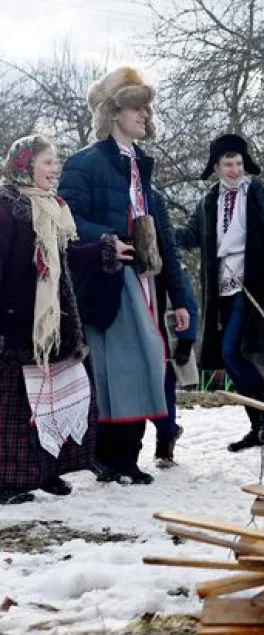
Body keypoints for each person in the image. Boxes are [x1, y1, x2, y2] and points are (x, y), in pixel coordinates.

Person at [59, 66, 191, 485]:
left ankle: (126, 458)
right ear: (115, 112)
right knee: (116, 369)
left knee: (146, 363)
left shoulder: (143, 167)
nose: (145, 114)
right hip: (108, 282)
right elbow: (68, 219)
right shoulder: (85, 164)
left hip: (146, 283)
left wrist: (184, 300)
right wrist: (107, 240)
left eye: (147, 108)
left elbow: (165, 241)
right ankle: (110, 458)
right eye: (137, 107)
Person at [0, 136, 133, 504]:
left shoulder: (53, 208)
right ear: (25, 165)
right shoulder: (8, 208)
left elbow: (67, 255)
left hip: (54, 322)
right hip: (17, 325)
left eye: (55, 161)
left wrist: (106, 248)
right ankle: (8, 481)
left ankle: (48, 471)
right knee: (17, 406)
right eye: (46, 162)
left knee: (62, 398)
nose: (54, 168)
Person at [175, 133, 264, 452]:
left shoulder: (260, 194)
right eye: (228, 164)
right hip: (221, 289)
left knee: (232, 351)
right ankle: (261, 424)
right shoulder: (208, 201)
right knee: (230, 359)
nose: (234, 170)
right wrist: (157, 227)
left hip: (251, 284)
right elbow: (189, 236)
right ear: (216, 166)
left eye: (239, 163)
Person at [150, 267, 198, 468]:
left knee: (164, 392)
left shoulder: (172, 267)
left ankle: (165, 445)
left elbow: (189, 305)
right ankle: (170, 430)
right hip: (142, 334)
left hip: (167, 341)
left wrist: (186, 342)